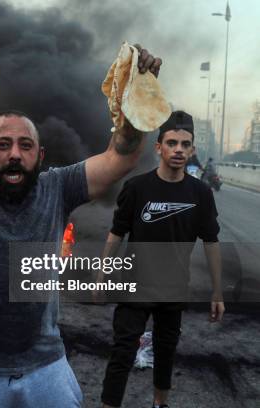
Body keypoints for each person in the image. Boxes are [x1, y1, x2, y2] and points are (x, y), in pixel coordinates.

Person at [0, 18, 163, 408]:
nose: (14, 154)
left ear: (40, 156)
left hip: (44, 366)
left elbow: (121, 156)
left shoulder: (57, 187)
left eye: (25, 145)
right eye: (3, 145)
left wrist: (138, 96)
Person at [97, 111, 225, 408]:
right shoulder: (137, 188)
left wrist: (217, 292)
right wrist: (102, 274)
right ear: (159, 147)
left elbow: (211, 242)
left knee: (166, 352)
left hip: (173, 289)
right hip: (134, 287)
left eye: (185, 144)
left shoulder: (201, 193)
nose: (178, 149)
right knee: (122, 353)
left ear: (192, 150)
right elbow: (116, 233)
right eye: (172, 143)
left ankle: (159, 404)